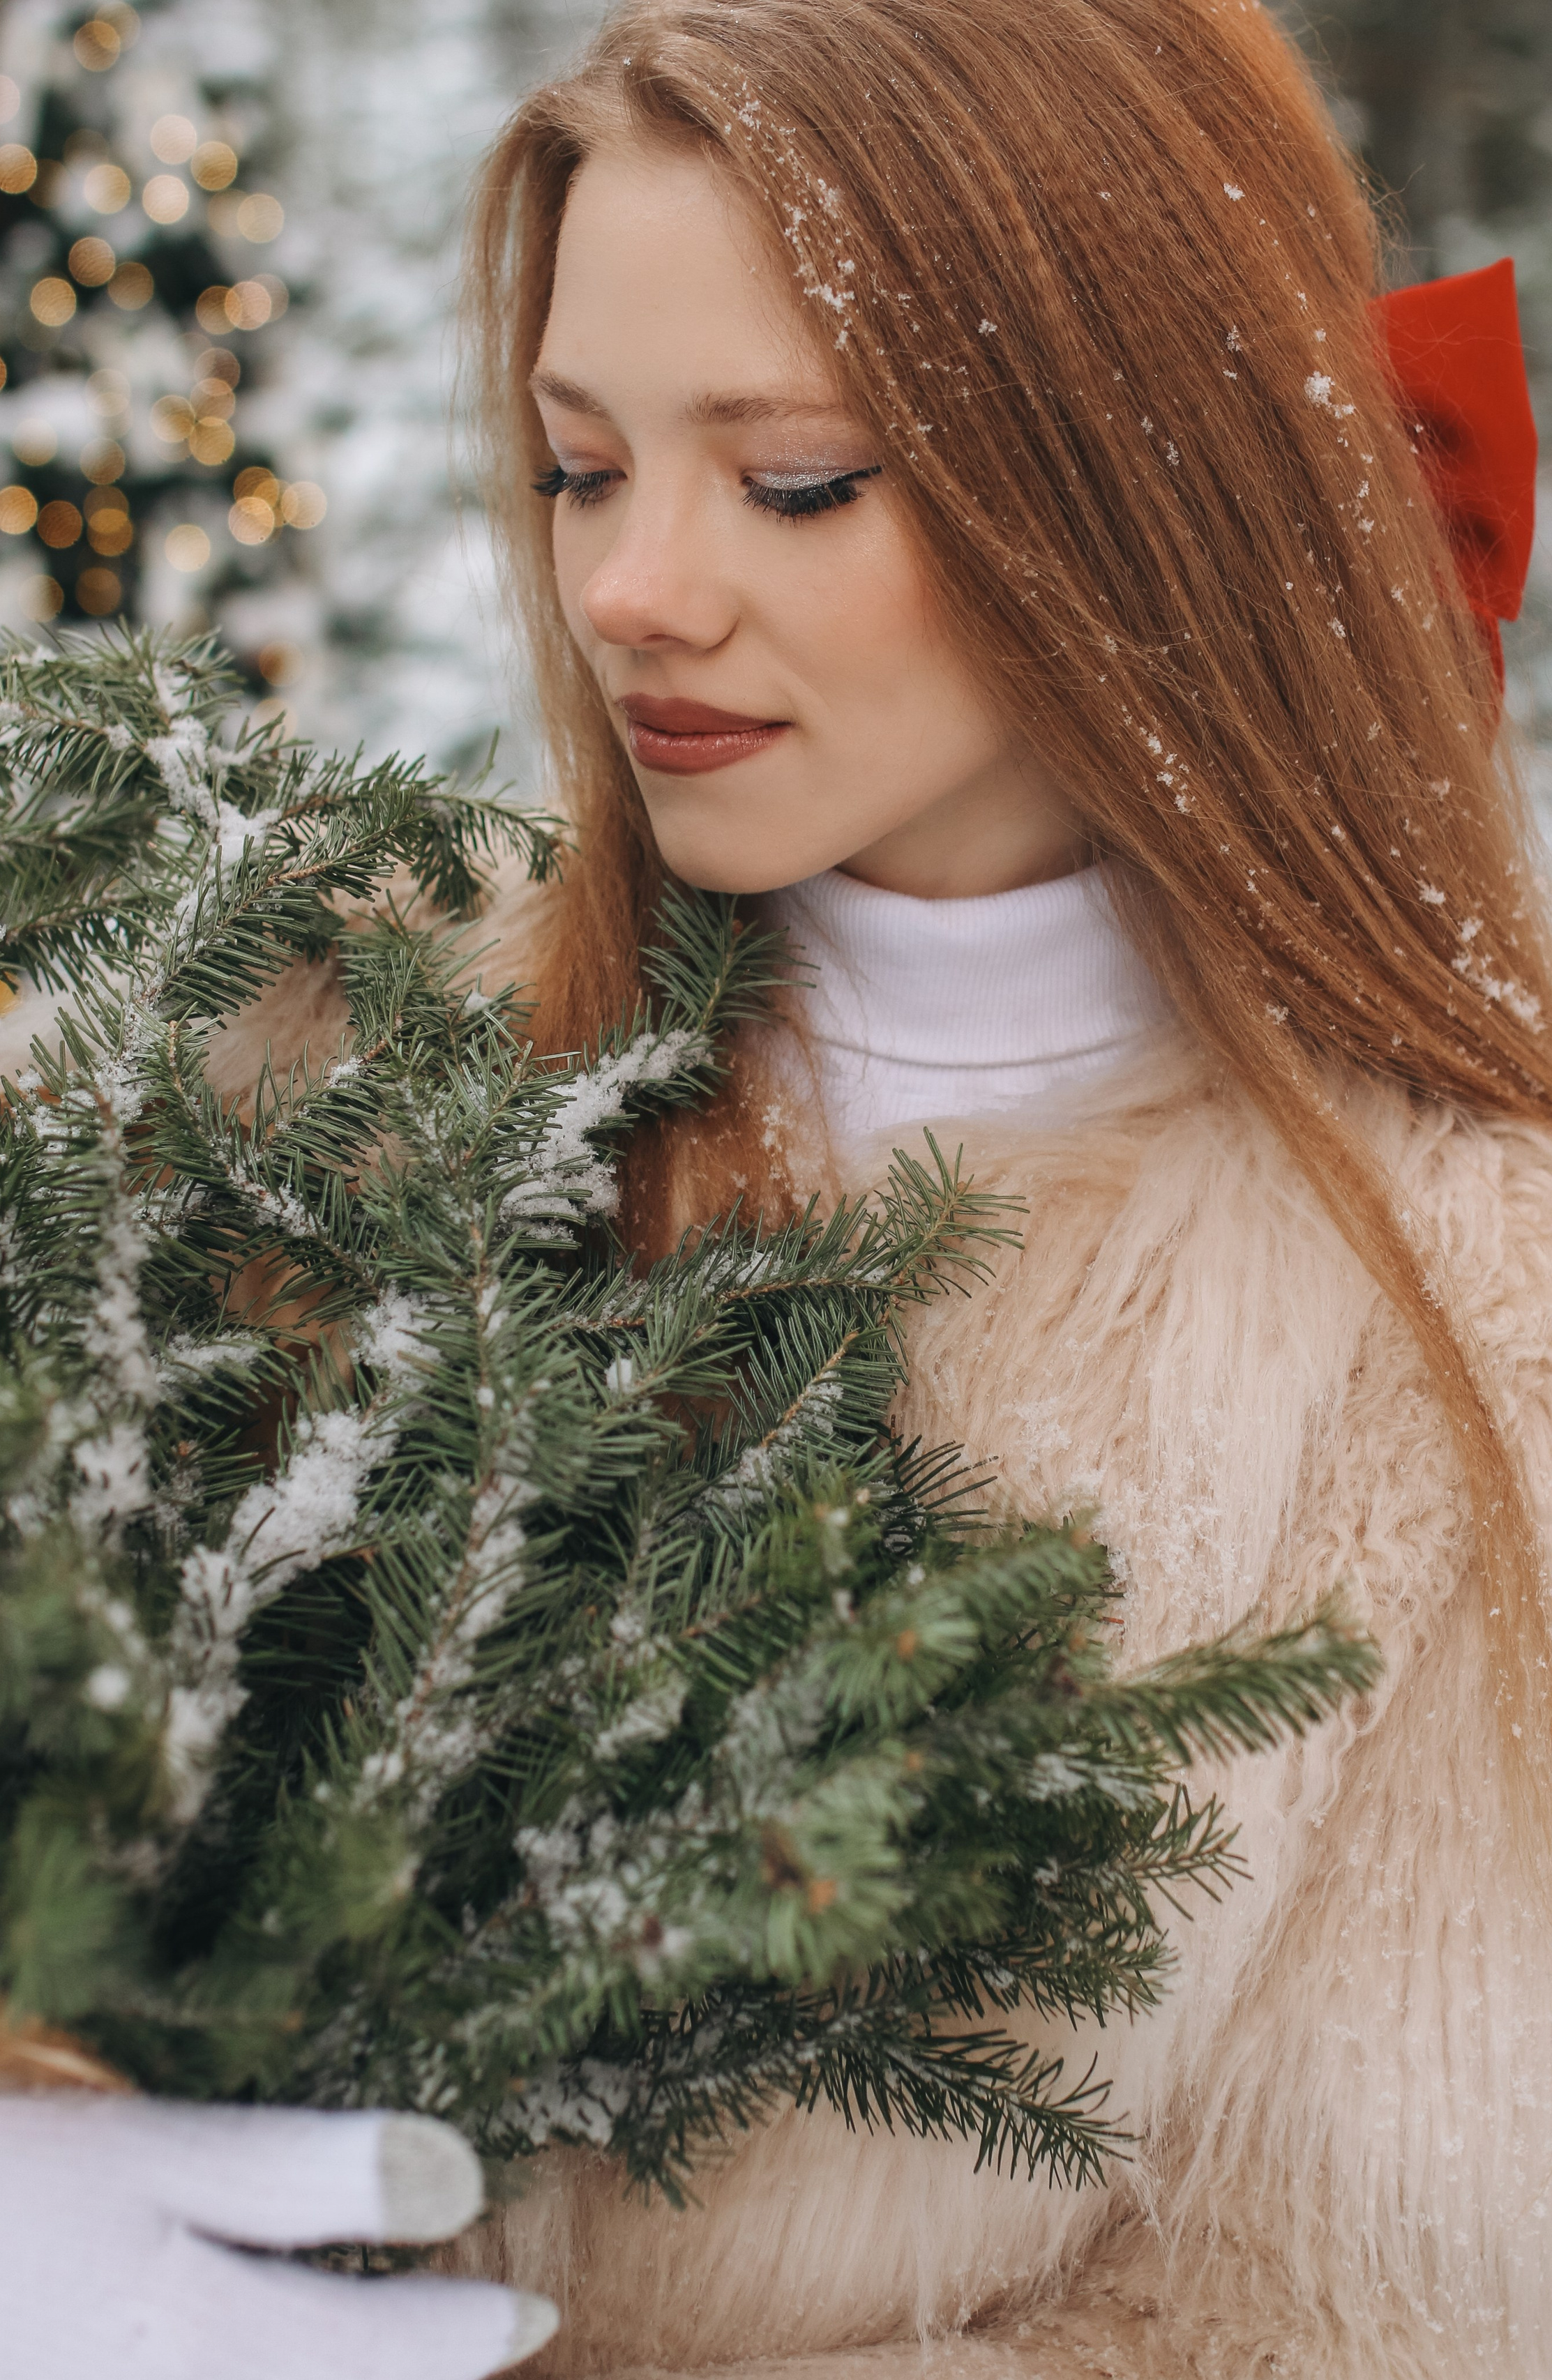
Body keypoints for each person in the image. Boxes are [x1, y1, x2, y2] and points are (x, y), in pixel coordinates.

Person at [401, 0, 1546, 2371]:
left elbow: (1328, 2327)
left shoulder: (1472, 1334)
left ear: (1146, 486)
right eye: (580, 467)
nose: (632, 588)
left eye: (797, 476)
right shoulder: (319, 1061)